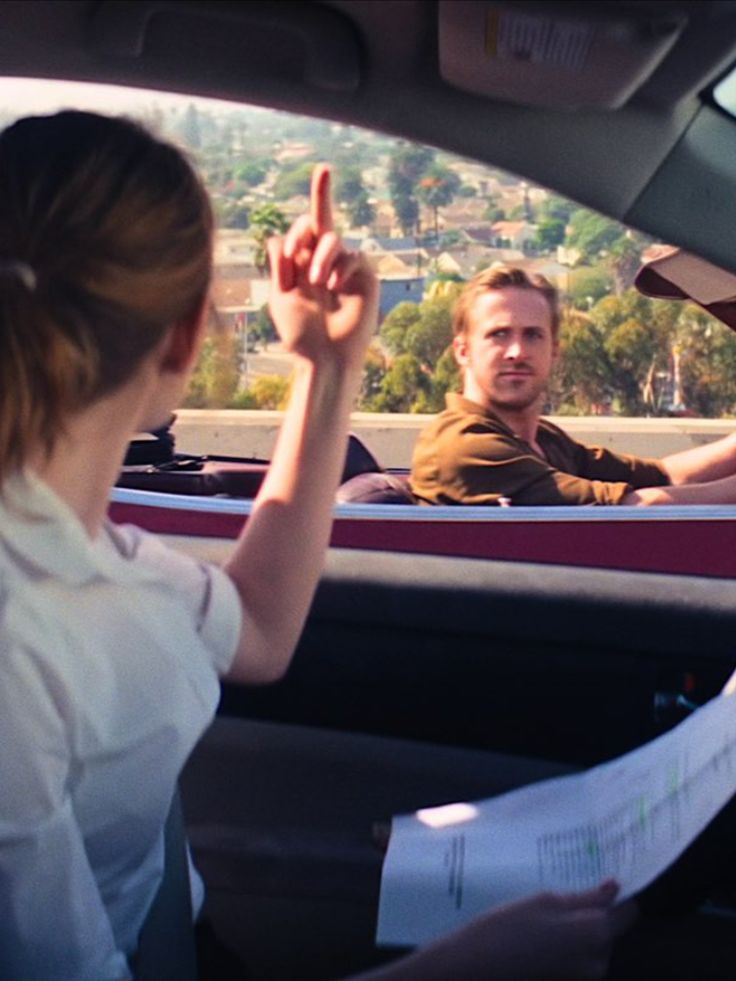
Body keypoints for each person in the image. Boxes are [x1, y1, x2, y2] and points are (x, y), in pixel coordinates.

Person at [0, 110, 634, 981]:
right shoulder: (23, 635)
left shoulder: (93, 557)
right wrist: (464, 966)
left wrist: (327, 366)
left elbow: (257, 627)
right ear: (186, 338)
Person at [410, 265, 736, 507]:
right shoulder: (463, 444)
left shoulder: (543, 440)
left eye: (533, 335)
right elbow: (631, 509)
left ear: (554, 351)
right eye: (498, 334)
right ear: (462, 351)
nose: (517, 352)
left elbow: (663, 476)